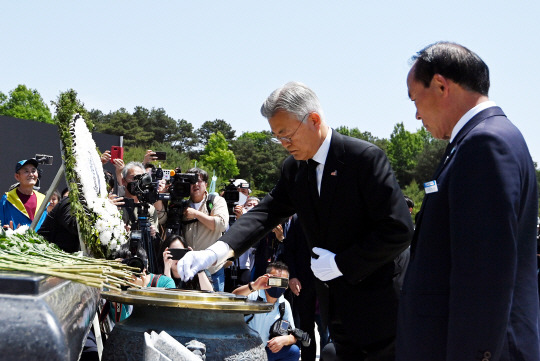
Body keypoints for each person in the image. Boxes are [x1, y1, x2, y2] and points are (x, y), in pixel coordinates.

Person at [178, 81, 414, 360]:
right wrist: (215, 251)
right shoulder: (295, 169)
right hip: (335, 306)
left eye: (287, 135)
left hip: (381, 305)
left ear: (314, 120)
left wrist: (341, 263)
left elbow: (398, 229)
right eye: (277, 137)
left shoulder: (363, 159)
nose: (283, 144)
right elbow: (266, 213)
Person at [397, 42, 540, 361]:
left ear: (440, 85)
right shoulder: (485, 139)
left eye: (415, 99)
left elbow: (484, 278)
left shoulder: (484, 144)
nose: (417, 113)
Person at [233, 261, 300, 361]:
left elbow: (293, 334)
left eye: (282, 282)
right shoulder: (253, 295)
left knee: (293, 351)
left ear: (287, 285)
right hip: (243, 350)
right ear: (266, 279)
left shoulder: (284, 304)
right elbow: (234, 297)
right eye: (274, 280)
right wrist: (254, 286)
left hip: (265, 351)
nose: (278, 285)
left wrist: (285, 339)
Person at [180, 167, 229, 291]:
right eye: (191, 181)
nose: (196, 184)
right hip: (189, 270)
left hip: (212, 269)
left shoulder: (216, 201)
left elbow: (221, 224)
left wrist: (196, 214)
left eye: (199, 181)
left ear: (206, 184)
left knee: (214, 308)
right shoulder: (182, 204)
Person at [0, 159, 48, 230]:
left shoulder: (43, 200)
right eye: (26, 171)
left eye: (33, 171)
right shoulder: (7, 199)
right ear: (17, 176)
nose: (31, 174)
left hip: (39, 240)